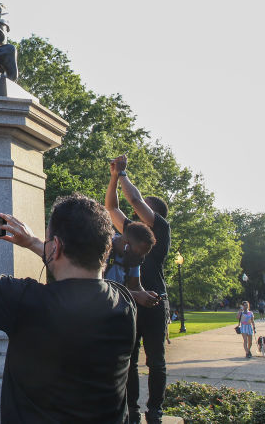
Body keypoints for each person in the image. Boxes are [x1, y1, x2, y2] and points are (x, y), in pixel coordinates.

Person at [0, 196, 137, 422]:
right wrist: (33, 242)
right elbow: (68, 258)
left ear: (56, 246)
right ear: (106, 248)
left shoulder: (28, 303)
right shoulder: (124, 303)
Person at [105, 155, 171, 424]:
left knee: (155, 360)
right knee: (128, 360)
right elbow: (111, 207)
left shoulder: (160, 231)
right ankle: (131, 409)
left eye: (142, 211)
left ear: (153, 215)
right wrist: (112, 178)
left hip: (154, 302)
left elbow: (134, 200)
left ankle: (154, 409)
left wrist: (122, 174)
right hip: (132, 301)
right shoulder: (132, 233)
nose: (134, 215)